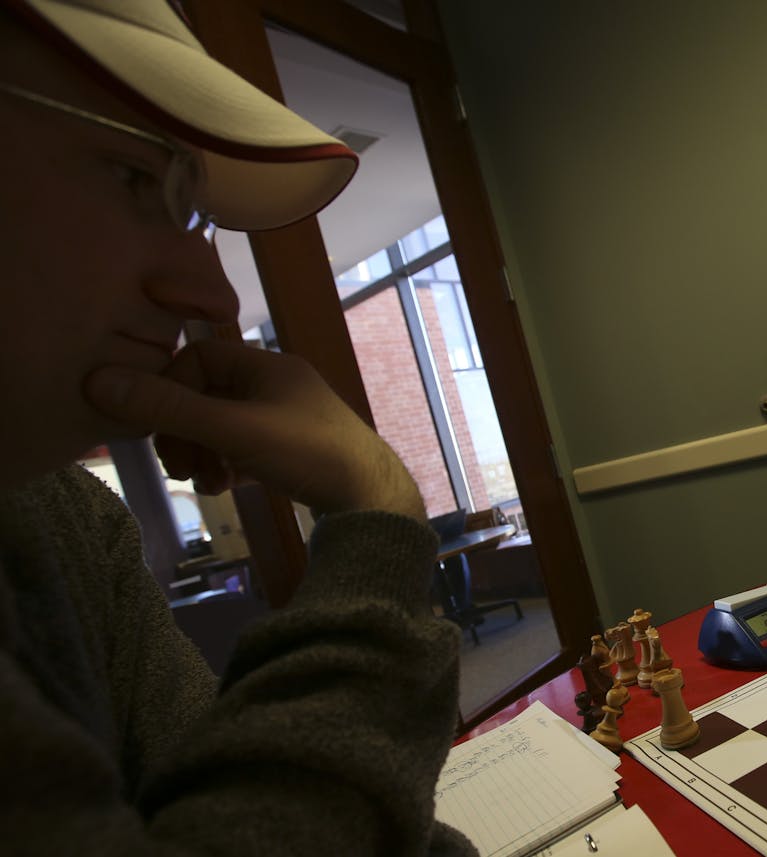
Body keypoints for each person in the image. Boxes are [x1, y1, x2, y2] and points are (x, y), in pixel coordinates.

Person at [0, 1, 476, 853]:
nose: (213, 301)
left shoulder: (72, 518)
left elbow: (236, 804)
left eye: (194, 210)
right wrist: (376, 515)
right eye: (136, 178)